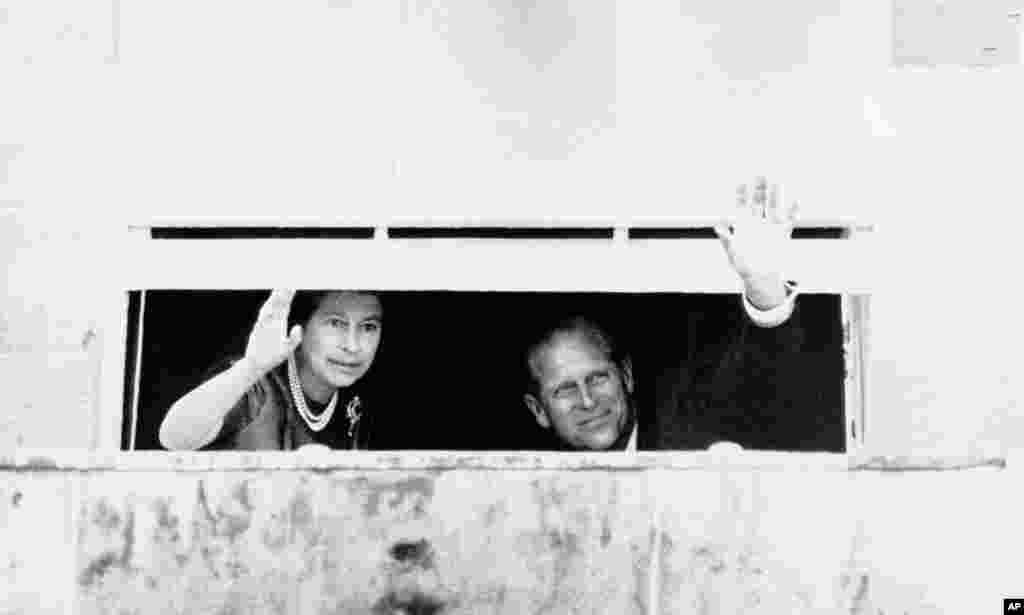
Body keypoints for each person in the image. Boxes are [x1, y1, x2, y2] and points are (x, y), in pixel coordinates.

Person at [523, 177, 807, 451]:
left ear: (626, 375)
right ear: (538, 410)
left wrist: (763, 286)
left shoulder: (690, 428)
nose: (587, 401)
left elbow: (769, 388)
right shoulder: (518, 484)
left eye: (598, 378)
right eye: (565, 389)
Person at [158, 289, 383, 451]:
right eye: (335, 323)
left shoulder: (358, 402)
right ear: (300, 326)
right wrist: (251, 367)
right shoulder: (254, 387)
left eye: (368, 327)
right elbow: (174, 438)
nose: (353, 346)